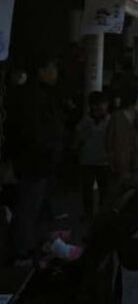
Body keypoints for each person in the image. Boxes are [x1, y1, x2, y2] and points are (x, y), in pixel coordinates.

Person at [6, 56, 66, 263]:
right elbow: (33, 132)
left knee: (37, 205)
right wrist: (49, 149)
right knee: (28, 207)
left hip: (41, 162)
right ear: (41, 71)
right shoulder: (32, 97)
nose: (55, 73)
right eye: (52, 68)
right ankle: (23, 251)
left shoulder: (40, 94)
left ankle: (38, 243)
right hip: (34, 161)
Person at [74, 91, 111, 220]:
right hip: (87, 159)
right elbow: (78, 138)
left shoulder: (110, 120)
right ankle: (88, 213)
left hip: (104, 160)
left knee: (104, 190)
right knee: (87, 190)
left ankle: (103, 214)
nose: (102, 108)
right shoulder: (85, 121)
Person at [106, 82, 138, 185]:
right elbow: (110, 138)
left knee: (136, 185)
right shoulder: (116, 116)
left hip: (137, 156)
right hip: (121, 157)